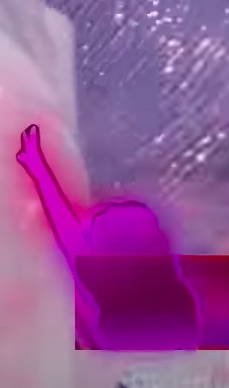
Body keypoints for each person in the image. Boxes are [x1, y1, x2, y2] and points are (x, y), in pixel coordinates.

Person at [15, 124, 201, 352]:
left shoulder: (111, 310)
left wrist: (39, 170)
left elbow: (70, 237)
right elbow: (70, 235)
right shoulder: (174, 302)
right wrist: (38, 168)